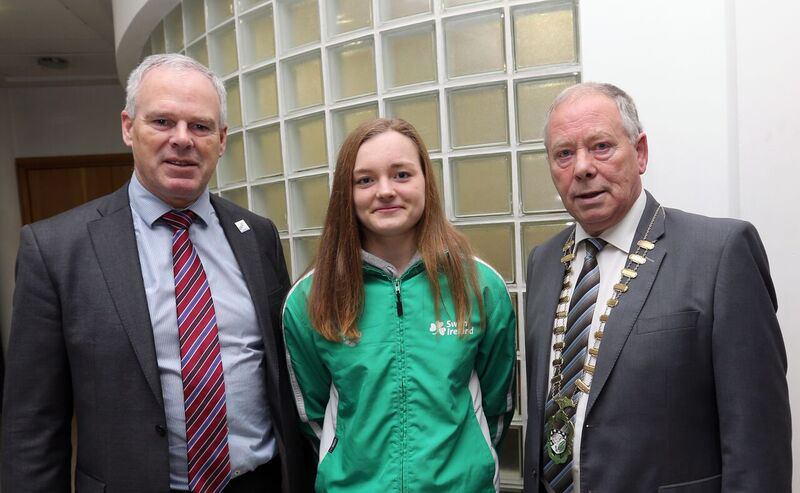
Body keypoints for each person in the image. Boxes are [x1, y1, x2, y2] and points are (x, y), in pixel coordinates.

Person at [1, 54, 314, 493]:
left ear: (221, 140)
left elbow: (284, 379)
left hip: (258, 482)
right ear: (128, 127)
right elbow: (32, 423)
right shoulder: (56, 250)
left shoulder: (257, 236)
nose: (182, 140)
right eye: (162, 121)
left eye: (200, 126)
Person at [522, 82, 791, 492]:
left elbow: (758, 443)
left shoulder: (719, 254)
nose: (582, 168)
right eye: (564, 153)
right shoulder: (542, 262)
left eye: (601, 147)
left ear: (640, 152)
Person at [281, 118, 516, 492]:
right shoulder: (311, 298)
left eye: (402, 174)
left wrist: (471, 460)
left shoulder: (480, 285)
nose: (385, 191)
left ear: (426, 181)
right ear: (347, 191)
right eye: (365, 180)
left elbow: (496, 405)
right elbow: (312, 415)